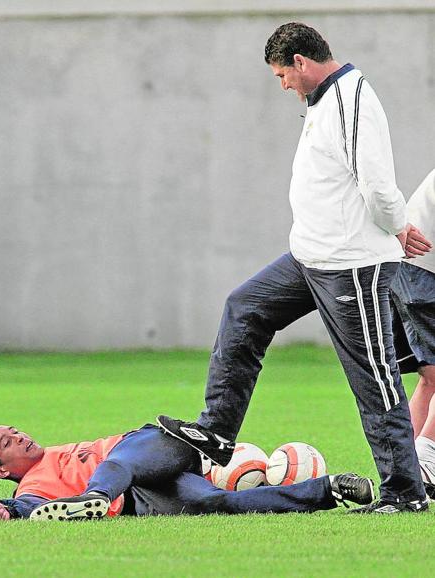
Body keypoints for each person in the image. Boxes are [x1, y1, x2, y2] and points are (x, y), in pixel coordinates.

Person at [157, 22, 428, 514]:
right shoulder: (322, 101)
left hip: (351, 266)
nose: (282, 84)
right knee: (244, 308)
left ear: (301, 62)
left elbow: (378, 187)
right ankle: (217, 434)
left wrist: (397, 226)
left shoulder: (352, 99)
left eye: (282, 74)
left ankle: (405, 493)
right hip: (307, 258)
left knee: (374, 377)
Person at [0, 423, 374, 521]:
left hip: (153, 447)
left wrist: (100, 491)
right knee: (215, 502)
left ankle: (95, 498)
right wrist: (10, 510)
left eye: (16, 431)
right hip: (140, 497)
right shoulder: (33, 487)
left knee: (115, 462)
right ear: (1, 471)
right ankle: (331, 489)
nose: (21, 436)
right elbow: (29, 505)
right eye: (9, 442)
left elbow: (120, 460)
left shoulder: (60, 454)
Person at [390, 168, 435, 493]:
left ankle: (404, 472)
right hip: (425, 269)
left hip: (407, 268)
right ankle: (427, 461)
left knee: (431, 377)